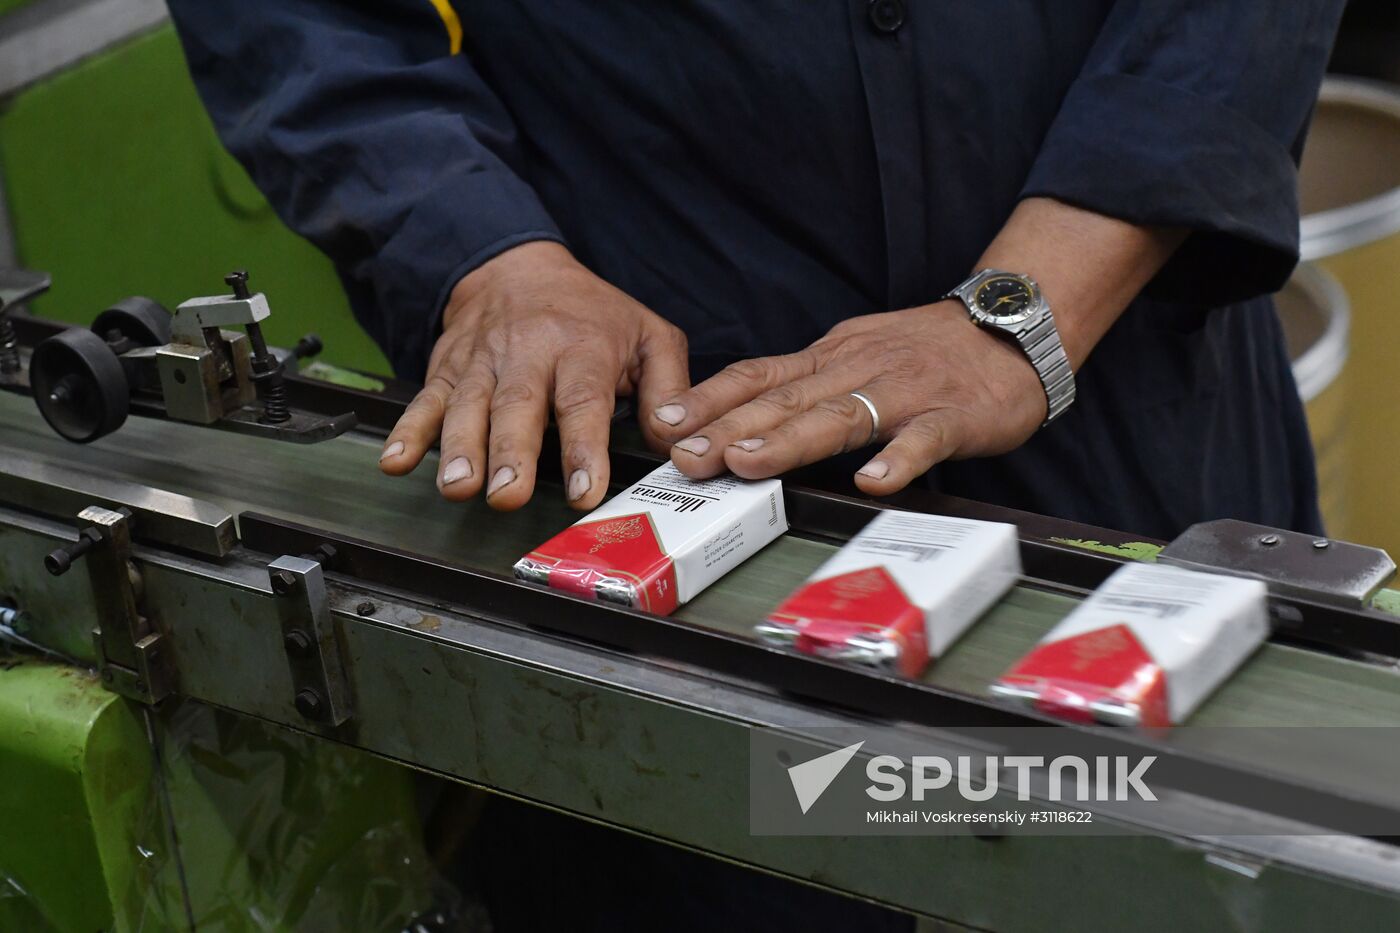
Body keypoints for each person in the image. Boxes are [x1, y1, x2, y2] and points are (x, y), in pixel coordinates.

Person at [167, 2, 1345, 928]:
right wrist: (481, 252)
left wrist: (1034, 303)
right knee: (731, 846)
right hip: (669, 443)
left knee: (1185, 854)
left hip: (1116, 390)